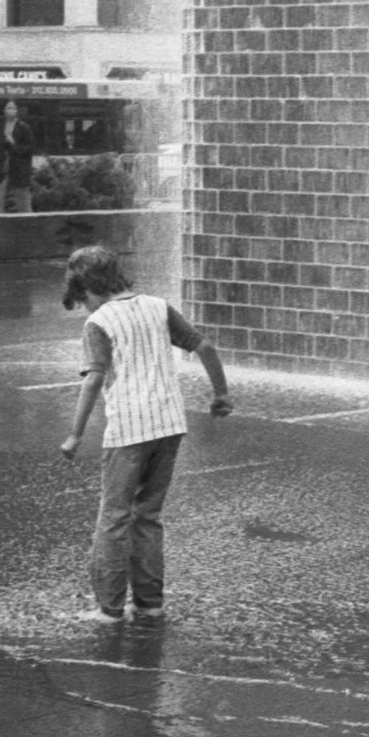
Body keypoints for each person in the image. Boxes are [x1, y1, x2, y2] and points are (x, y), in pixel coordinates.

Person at [59, 244, 232, 626]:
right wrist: (220, 394)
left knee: (114, 519)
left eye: (82, 297)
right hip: (169, 426)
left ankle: (108, 609)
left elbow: (95, 379)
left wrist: (75, 435)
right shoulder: (156, 305)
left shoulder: (99, 322)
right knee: (148, 517)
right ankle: (150, 603)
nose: (85, 306)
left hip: (129, 432)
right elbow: (204, 345)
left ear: (88, 287)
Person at [0, 100, 38, 214]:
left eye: (13, 108)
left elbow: (29, 149)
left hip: (19, 167)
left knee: (22, 198)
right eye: (8, 108)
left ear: (17, 111)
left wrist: (13, 144)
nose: (11, 110)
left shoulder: (23, 127)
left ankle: (27, 220)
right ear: (4, 111)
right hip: (2, 166)